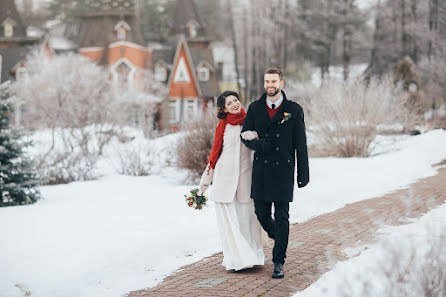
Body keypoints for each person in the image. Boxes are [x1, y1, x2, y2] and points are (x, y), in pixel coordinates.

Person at [240, 67, 309, 279]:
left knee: (281, 216)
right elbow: (245, 135)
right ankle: (279, 238)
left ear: (282, 83)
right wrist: (261, 145)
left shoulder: (293, 110)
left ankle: (279, 261)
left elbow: (301, 143)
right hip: (261, 169)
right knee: (261, 213)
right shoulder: (254, 108)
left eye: (273, 81)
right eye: (267, 82)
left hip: (284, 170)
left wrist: (303, 173)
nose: (270, 85)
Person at [198, 90, 265, 271]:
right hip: (224, 181)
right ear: (224, 109)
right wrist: (204, 185)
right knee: (231, 224)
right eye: (229, 103)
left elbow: (262, 146)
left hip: (246, 179)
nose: (235, 104)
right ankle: (237, 260)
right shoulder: (222, 126)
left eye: (235, 100)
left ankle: (253, 256)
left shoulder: (251, 121)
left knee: (248, 220)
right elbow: (214, 155)